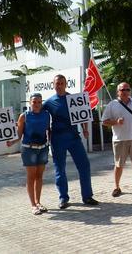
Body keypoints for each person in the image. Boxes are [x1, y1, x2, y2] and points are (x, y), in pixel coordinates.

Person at [43, 74, 98, 209]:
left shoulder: (74, 99)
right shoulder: (48, 102)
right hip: (57, 139)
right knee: (59, 169)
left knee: (84, 165)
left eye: (62, 83)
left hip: (74, 137)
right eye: (57, 83)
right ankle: (63, 198)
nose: (59, 85)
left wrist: (85, 129)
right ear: (53, 85)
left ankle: (87, 196)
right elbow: (38, 114)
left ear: (65, 84)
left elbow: (83, 113)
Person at [102, 82, 132, 197]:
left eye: (127, 90)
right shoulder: (112, 105)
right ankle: (116, 187)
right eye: (122, 90)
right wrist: (115, 122)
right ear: (118, 92)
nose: (125, 92)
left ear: (130, 91)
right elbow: (104, 121)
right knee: (119, 165)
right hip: (120, 140)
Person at [7, 93, 51, 215]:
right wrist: (11, 142)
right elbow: (19, 135)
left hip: (43, 148)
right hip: (28, 149)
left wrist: (50, 144)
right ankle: (33, 205)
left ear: (41, 103)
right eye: (34, 102)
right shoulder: (24, 116)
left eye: (39, 102)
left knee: (40, 177)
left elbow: (48, 130)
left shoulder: (46, 115)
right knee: (31, 177)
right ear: (30, 103)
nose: (36, 104)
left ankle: (38, 202)